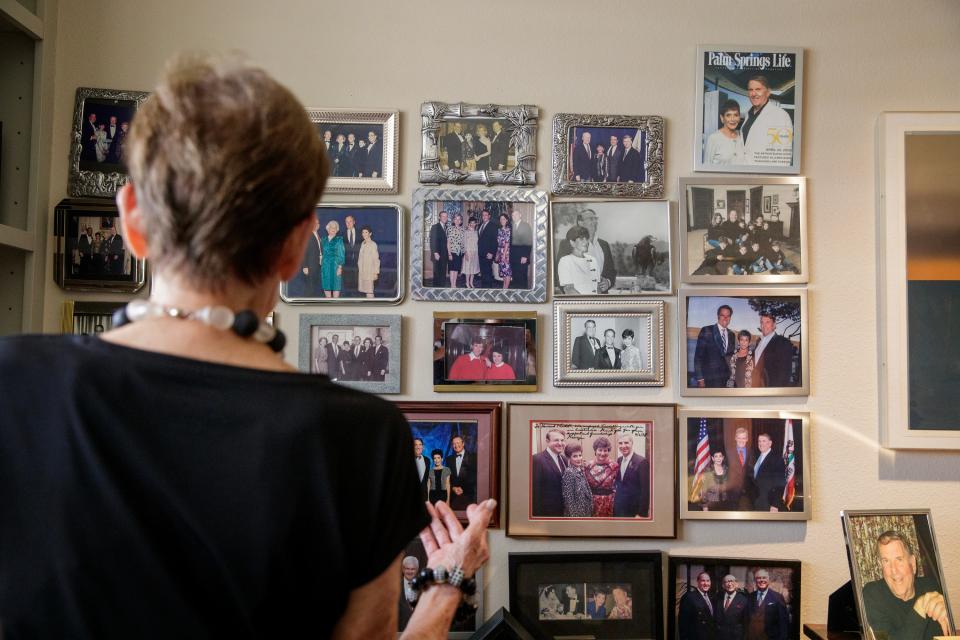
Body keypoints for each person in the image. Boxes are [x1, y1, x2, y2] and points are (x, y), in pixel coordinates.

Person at [0, 55, 494, 638]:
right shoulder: (360, 439)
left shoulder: (13, 384)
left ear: (131, 220)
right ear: (297, 249)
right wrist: (446, 586)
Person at [861, 530, 952, 640]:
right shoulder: (872, 594)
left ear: (912, 564)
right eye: (886, 561)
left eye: (899, 559)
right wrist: (920, 607)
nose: (893, 570)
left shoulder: (930, 586)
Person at [554, 209, 616, 293]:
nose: (594, 222)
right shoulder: (567, 243)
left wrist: (608, 282)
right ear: (580, 222)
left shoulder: (604, 245)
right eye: (591, 219)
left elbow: (611, 271)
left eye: (595, 219)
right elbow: (559, 275)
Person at [741, 75, 794, 166]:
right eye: (750, 90)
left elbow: (783, 158)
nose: (753, 94)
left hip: (762, 176)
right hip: (744, 172)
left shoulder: (781, 116)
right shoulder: (748, 114)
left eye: (758, 89)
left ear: (768, 92)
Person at [693, 304, 736, 388]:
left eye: (728, 316)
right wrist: (700, 379)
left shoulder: (732, 335)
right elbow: (698, 357)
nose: (725, 318)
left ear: (730, 318)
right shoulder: (706, 330)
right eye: (722, 315)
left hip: (726, 380)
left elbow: (730, 357)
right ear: (718, 316)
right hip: (709, 379)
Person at [751, 313, 795, 387]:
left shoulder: (782, 342)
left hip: (770, 388)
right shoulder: (759, 341)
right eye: (762, 322)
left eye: (767, 322)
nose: (764, 325)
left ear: (774, 325)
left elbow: (785, 373)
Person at [531, 428, 567, 517]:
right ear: (547, 441)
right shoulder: (536, 459)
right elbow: (535, 492)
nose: (560, 443)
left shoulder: (564, 459)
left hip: (563, 512)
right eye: (556, 440)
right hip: (546, 514)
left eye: (562, 440)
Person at [613, 433, 649, 518]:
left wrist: (641, 514)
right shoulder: (619, 460)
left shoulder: (642, 462)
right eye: (620, 443)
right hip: (620, 509)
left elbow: (645, 491)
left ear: (632, 443)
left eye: (626, 443)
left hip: (634, 511)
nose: (623, 446)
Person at [557, 225, 600, 295]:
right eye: (581, 239)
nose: (586, 242)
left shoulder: (593, 260)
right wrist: (586, 303)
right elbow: (569, 290)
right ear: (572, 242)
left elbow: (597, 287)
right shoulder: (565, 261)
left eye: (586, 238)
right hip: (579, 304)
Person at [747, 569, 789, 640]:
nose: (761, 580)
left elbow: (783, 624)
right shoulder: (750, 597)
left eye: (764, 578)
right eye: (759, 578)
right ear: (755, 581)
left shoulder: (777, 597)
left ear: (768, 580)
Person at [747, 433, 786, 512]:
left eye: (764, 441)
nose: (761, 444)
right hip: (755, 503)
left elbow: (780, 484)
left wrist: (775, 504)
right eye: (759, 441)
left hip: (768, 503)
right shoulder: (755, 456)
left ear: (770, 443)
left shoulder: (777, 459)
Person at [583, 436, 618, 517]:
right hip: (592, 503)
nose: (602, 453)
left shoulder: (615, 466)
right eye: (600, 450)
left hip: (609, 503)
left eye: (605, 450)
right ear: (595, 450)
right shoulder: (588, 466)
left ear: (608, 451)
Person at [289, 214, 322, 297]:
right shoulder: (307, 235)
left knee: (314, 286)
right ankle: (308, 303)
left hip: (317, 266)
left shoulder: (317, 235)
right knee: (309, 287)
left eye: (318, 223)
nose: (316, 225)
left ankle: (313, 302)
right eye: (314, 223)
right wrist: (305, 266)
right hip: (310, 267)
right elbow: (303, 252)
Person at [705, 99, 746, 165]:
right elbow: (706, 166)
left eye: (736, 115)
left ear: (739, 117)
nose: (732, 119)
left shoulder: (741, 136)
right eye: (728, 115)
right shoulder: (713, 138)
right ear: (722, 118)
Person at [678, 571, 717, 640]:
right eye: (703, 581)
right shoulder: (689, 597)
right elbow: (683, 624)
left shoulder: (711, 597)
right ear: (698, 581)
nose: (706, 583)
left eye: (708, 581)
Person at [560, 443, 593, 517]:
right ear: (569, 458)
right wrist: (574, 518)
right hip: (576, 514)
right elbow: (569, 500)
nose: (579, 458)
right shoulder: (569, 472)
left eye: (580, 455)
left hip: (585, 511)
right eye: (575, 456)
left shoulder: (580, 469)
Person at [445, 435, 476, 510]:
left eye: (458, 443)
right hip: (453, 497)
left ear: (463, 443)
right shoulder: (449, 459)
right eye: (454, 444)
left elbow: (475, 477)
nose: (456, 445)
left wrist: (463, 489)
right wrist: (453, 488)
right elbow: (447, 478)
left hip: (469, 496)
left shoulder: (473, 457)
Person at [716, 574, 750, 640]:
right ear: (723, 585)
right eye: (727, 582)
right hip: (720, 636)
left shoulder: (744, 600)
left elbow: (746, 623)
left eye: (732, 581)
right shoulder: (717, 598)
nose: (729, 584)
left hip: (736, 637)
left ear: (737, 584)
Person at [728, 427, 753, 510]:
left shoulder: (752, 452)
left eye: (744, 438)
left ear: (747, 439)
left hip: (749, 494)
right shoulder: (728, 452)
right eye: (739, 438)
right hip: (732, 494)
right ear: (735, 438)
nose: (741, 440)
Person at [509, 209, 532, 289]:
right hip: (513, 257)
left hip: (522, 257)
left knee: (522, 279)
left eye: (516, 215)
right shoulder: (511, 226)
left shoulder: (526, 226)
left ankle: (523, 297)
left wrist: (525, 256)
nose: (514, 216)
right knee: (515, 278)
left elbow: (529, 241)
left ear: (520, 215)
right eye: (512, 215)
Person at [320, 219, 345, 298]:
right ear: (328, 229)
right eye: (331, 227)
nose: (333, 229)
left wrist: (340, 267)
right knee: (326, 287)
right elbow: (320, 253)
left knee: (336, 287)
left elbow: (341, 254)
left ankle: (336, 308)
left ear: (337, 230)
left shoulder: (339, 240)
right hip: (325, 267)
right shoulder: (323, 240)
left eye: (335, 228)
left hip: (335, 267)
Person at [477, 209, 499, 288]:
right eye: (483, 215)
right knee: (483, 272)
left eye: (486, 215)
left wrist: (491, 252)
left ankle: (488, 289)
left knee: (488, 272)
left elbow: (495, 241)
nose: (484, 216)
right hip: (481, 253)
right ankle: (484, 288)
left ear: (489, 216)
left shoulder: (493, 226)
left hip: (488, 253)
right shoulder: (480, 225)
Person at [357, 225, 380, 298]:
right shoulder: (363, 243)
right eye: (363, 232)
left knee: (369, 291)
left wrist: (376, 272)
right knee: (366, 291)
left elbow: (376, 259)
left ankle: (373, 306)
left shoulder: (373, 244)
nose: (364, 234)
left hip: (369, 271)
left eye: (366, 232)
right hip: (362, 271)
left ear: (370, 234)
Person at [398, 556, 420, 631]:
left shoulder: (424, 587)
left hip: (419, 631)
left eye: (413, 569)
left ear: (417, 570)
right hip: (399, 632)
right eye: (407, 568)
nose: (410, 572)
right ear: (403, 569)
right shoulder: (395, 587)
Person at [429, 210, 449, 288]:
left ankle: (442, 288)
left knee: (443, 272)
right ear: (439, 217)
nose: (445, 218)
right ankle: (436, 289)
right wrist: (435, 252)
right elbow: (432, 240)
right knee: (437, 273)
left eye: (446, 216)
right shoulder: (435, 227)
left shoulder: (446, 227)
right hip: (437, 254)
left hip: (444, 254)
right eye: (443, 216)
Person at [446, 212, 465, 289]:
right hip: (452, 252)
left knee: (456, 269)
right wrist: (449, 254)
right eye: (456, 219)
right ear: (453, 220)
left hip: (459, 252)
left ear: (461, 221)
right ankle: (452, 285)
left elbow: (463, 242)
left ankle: (455, 284)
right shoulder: (449, 228)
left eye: (459, 219)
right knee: (452, 269)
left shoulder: (463, 230)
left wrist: (464, 252)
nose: (457, 221)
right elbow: (448, 242)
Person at [495, 212, 512, 289]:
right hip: (500, 252)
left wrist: (504, 255)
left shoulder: (508, 230)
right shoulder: (499, 230)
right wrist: (498, 254)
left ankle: (506, 288)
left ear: (507, 220)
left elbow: (507, 243)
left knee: (507, 272)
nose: (502, 220)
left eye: (504, 219)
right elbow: (498, 243)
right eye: (501, 219)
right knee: (503, 272)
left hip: (506, 252)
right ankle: (504, 287)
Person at [462, 217, 480, 288]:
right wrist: (465, 252)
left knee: (473, 269)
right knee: (468, 269)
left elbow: (477, 243)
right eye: (471, 223)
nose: (473, 224)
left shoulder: (476, 232)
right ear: (469, 223)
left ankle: (471, 283)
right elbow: (464, 243)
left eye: (474, 223)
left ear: (476, 224)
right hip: (468, 252)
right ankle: (467, 283)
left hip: (475, 252)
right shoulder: (466, 232)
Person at [412, 437, 431, 503]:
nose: (418, 447)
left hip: (424, 496)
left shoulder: (427, 460)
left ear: (422, 447)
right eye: (416, 445)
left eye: (420, 445)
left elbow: (427, 480)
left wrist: (428, 498)